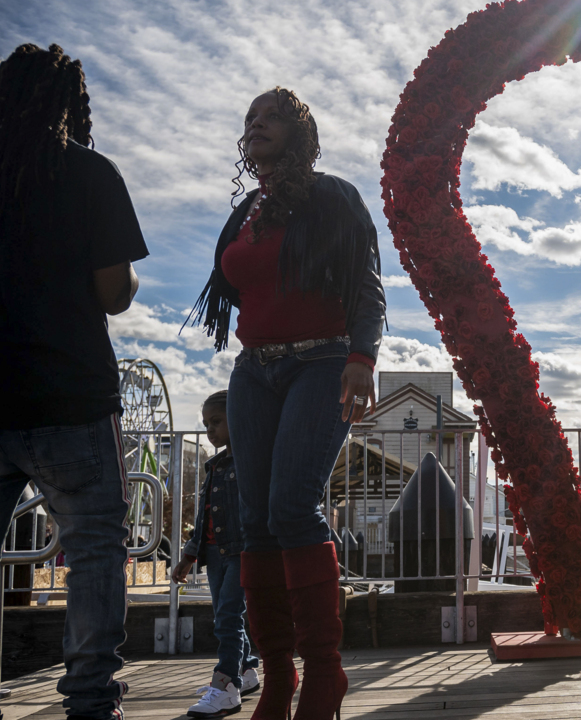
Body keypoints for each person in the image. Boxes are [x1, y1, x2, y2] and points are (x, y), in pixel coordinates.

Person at [187, 86, 385, 720]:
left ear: (300, 133)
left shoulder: (333, 197)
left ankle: (324, 674)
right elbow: (234, 286)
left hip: (323, 360)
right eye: (250, 118)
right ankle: (276, 675)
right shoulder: (248, 208)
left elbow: (366, 284)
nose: (257, 125)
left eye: (272, 117)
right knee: (253, 519)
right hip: (255, 370)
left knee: (292, 507)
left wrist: (362, 357)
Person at [0, 44, 148, 720]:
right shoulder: (88, 173)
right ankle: (88, 701)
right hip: (72, 397)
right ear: (70, 104)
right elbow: (114, 294)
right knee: (93, 557)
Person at [172, 391, 261, 718]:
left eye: (216, 421)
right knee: (227, 615)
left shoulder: (250, 462)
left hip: (240, 551)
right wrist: (189, 554)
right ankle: (247, 672)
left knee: (227, 618)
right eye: (206, 423)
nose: (210, 430)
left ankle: (226, 686)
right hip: (215, 553)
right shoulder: (216, 466)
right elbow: (204, 518)